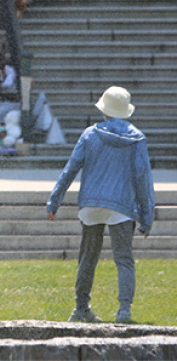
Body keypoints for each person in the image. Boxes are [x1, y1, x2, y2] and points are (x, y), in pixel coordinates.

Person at [47, 86, 155, 324]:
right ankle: (124, 311)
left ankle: (81, 308)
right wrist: (147, 218)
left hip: (91, 203)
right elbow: (143, 178)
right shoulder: (136, 139)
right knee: (124, 259)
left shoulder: (90, 134)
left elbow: (71, 169)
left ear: (104, 110)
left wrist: (54, 201)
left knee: (88, 257)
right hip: (122, 206)